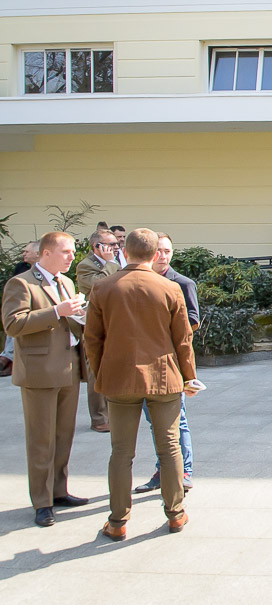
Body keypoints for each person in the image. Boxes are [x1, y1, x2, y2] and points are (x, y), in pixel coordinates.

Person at [84, 228, 199, 541]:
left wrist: (101, 371)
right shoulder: (169, 288)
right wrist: (189, 376)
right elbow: (183, 339)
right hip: (164, 377)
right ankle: (175, 513)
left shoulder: (103, 287)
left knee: (121, 452)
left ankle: (118, 520)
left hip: (119, 378)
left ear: (125, 251)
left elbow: (92, 338)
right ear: (154, 254)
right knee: (170, 447)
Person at [1, 231, 88, 528]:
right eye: (66, 252)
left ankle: (59, 491)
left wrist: (80, 316)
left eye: (72, 252)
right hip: (39, 372)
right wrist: (56, 311)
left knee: (64, 434)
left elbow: (67, 322)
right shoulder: (21, 283)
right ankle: (41, 501)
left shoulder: (66, 282)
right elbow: (13, 324)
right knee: (41, 439)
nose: (72, 256)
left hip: (68, 368)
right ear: (46, 253)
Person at [134, 233, 200, 495]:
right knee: (154, 422)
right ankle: (162, 470)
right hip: (142, 363)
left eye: (168, 251)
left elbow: (192, 321)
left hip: (170, 362)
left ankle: (184, 471)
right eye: (159, 250)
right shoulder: (137, 282)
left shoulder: (182, 283)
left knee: (177, 420)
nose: (163, 256)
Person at [75, 228, 121, 433]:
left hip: (114, 320)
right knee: (96, 369)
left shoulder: (116, 263)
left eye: (116, 244)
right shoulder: (86, 265)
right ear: (97, 247)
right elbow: (97, 286)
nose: (116, 247)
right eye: (111, 244)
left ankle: (113, 414)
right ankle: (99, 417)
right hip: (96, 323)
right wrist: (110, 263)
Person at [1, 242, 40, 379]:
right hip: (21, 310)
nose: (23, 254)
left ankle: (7, 359)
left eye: (26, 252)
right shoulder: (21, 269)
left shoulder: (54, 275)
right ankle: (6, 358)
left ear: (38, 253)